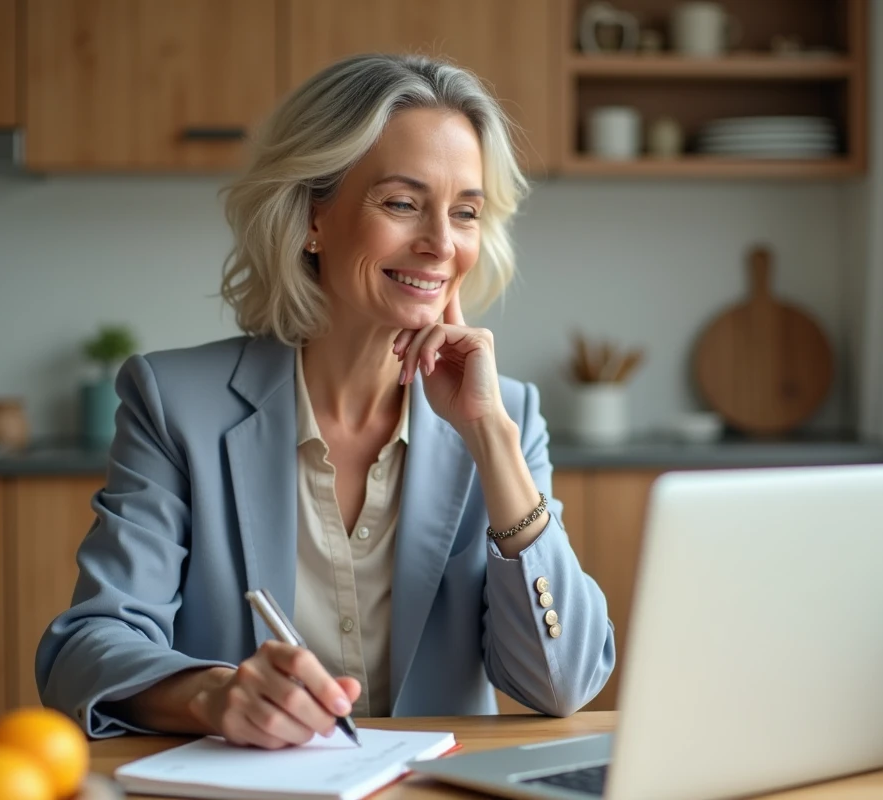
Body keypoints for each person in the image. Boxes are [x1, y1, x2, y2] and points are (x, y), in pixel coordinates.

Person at [37, 53, 615, 750]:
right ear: (313, 217)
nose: (440, 244)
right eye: (402, 203)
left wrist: (490, 437)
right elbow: (83, 649)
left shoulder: (506, 416)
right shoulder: (175, 406)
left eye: (465, 212)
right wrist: (213, 695)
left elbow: (566, 683)